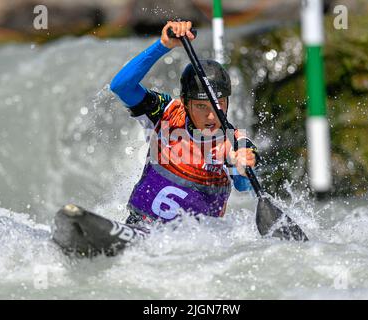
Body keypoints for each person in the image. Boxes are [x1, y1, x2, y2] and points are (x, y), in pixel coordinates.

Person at [110, 20, 259, 226]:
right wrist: (163, 45)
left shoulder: (233, 141)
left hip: (190, 246)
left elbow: (244, 185)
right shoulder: (164, 112)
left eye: (218, 105)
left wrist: (240, 164)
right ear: (186, 103)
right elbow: (121, 86)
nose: (211, 116)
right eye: (200, 106)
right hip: (138, 225)